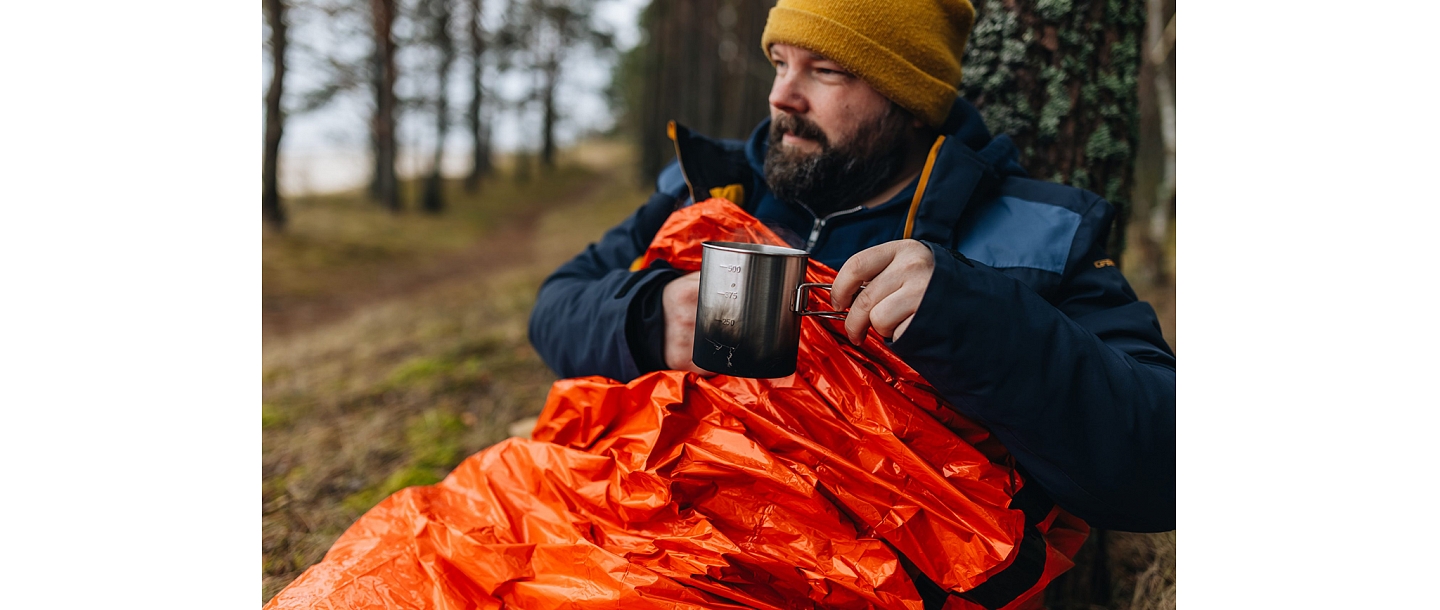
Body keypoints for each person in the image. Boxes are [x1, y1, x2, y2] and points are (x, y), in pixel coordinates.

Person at [529, 0, 1175, 534]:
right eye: (780, 62)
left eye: (826, 71)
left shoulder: (1036, 237)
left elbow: (1166, 456)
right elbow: (555, 306)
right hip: (627, 525)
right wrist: (646, 317)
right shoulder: (711, 187)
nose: (783, 96)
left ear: (909, 96)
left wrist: (969, 314)